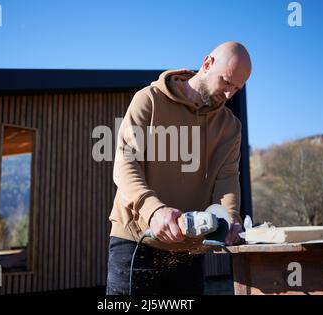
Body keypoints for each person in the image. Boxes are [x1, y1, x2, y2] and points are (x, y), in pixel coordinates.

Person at [106, 42, 252, 295]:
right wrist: (154, 211)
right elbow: (125, 163)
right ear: (207, 64)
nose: (229, 95)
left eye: (237, 89)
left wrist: (231, 218)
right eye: (226, 82)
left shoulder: (230, 127)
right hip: (136, 241)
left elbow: (226, 179)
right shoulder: (149, 100)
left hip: (189, 250)